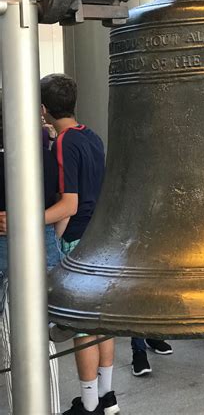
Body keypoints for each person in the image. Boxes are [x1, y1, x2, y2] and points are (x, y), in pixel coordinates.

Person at [40, 74, 119, 415]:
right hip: (100, 237)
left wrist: (29, 224)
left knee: (81, 327)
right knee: (101, 323)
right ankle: (107, 397)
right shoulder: (91, 136)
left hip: (77, 240)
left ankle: (88, 405)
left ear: (43, 109)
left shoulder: (63, 143)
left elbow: (68, 205)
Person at [0, 94, 63, 414]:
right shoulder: (46, 152)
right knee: (41, 343)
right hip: (44, 246)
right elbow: (62, 200)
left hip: (10, 254)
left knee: (14, 344)